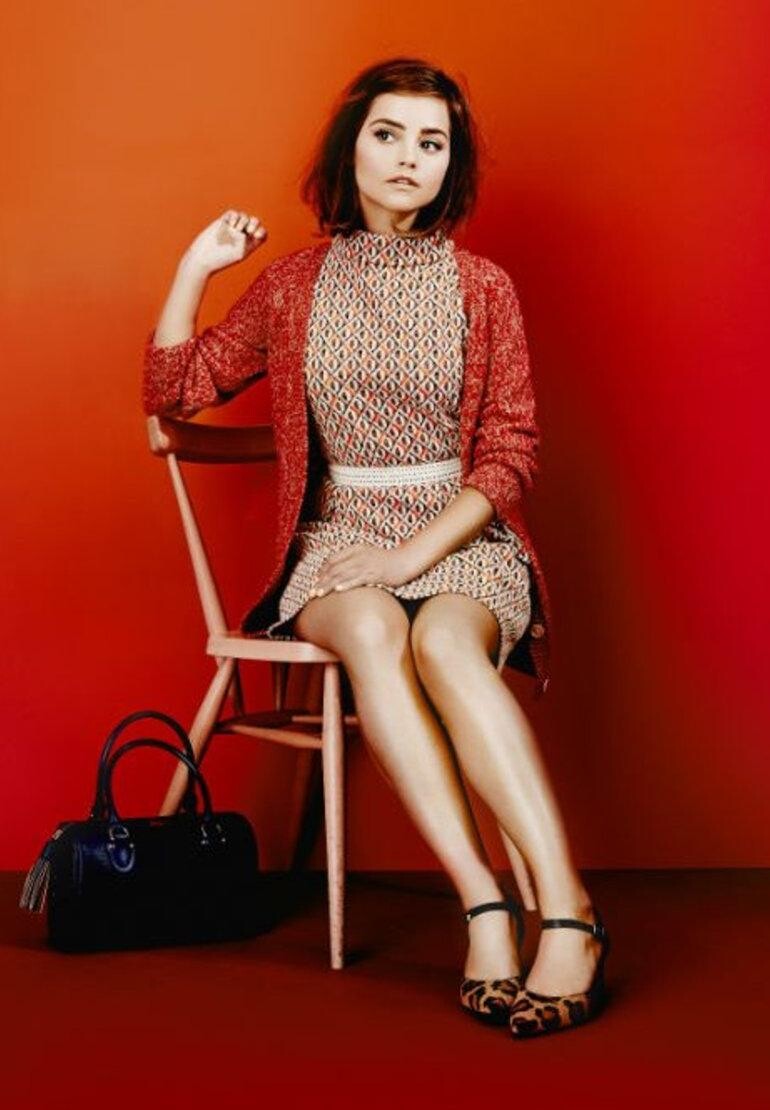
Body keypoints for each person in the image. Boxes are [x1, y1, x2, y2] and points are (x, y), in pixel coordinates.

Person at [142, 56, 610, 1038]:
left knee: (442, 642)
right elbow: (175, 388)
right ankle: (484, 908)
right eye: (387, 134)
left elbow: (509, 455)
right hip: (338, 538)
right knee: (366, 630)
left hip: (459, 529)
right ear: (349, 149)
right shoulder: (294, 284)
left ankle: (567, 912)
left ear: (451, 165)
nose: (407, 157)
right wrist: (196, 266)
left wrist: (410, 559)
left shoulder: (482, 287)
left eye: (431, 142)